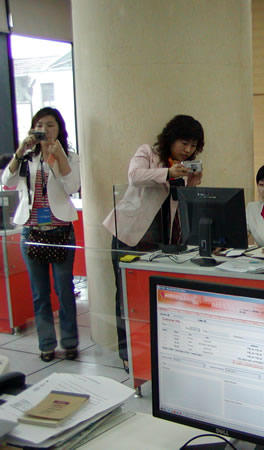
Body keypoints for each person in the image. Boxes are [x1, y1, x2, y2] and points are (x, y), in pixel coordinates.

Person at [103, 115, 204, 372]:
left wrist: (192, 184)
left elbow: (184, 208)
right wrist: (168, 172)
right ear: (171, 138)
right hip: (129, 237)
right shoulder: (148, 153)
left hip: (160, 242)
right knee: (126, 297)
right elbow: (134, 176)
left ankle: (158, 350)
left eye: (193, 146)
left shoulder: (184, 168)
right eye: (184, 143)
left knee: (157, 297)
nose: (188, 150)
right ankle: (128, 353)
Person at [1, 107, 80, 362]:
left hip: (61, 231)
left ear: (59, 128)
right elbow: (7, 182)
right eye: (39, 125)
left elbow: (72, 187)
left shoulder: (70, 156)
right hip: (31, 231)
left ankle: (70, 342)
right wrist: (20, 151)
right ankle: (46, 344)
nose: (44, 130)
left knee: (64, 289)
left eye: (50, 125)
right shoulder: (27, 156)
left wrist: (59, 156)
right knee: (39, 292)